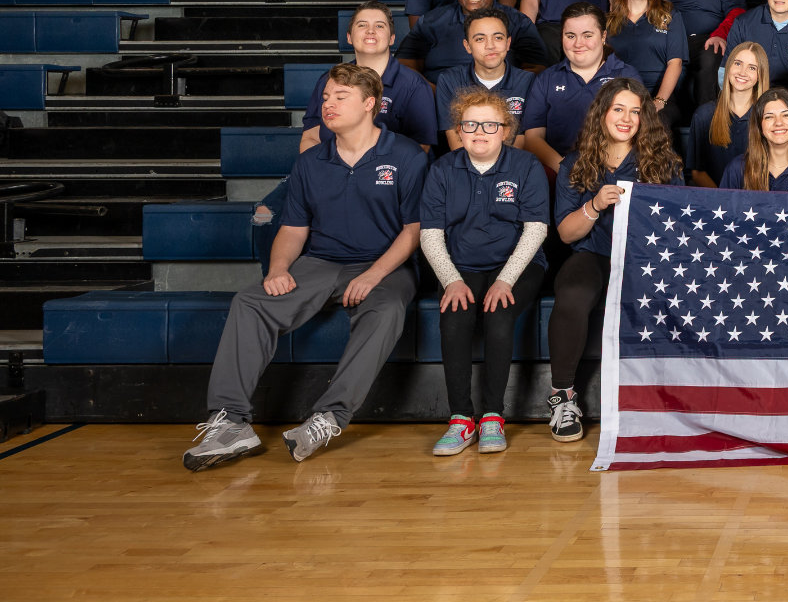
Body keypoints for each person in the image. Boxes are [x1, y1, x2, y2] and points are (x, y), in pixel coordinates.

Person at [185, 64, 426, 470]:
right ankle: (231, 423)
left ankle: (328, 418)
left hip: (383, 265)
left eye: (340, 97)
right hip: (321, 262)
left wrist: (373, 275)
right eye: (326, 97)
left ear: (371, 104)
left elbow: (414, 230)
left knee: (384, 310)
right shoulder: (312, 161)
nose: (328, 104)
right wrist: (278, 268)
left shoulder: (404, 155)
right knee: (251, 301)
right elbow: (293, 230)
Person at [545, 78, 683, 442]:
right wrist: (593, 205)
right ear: (602, 113)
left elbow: (678, 227)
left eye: (635, 112)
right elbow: (566, 233)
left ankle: (663, 400)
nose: (626, 118)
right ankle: (563, 397)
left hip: (645, 258)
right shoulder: (575, 164)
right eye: (618, 109)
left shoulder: (662, 161)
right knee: (572, 294)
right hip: (593, 254)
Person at [419, 90, 549, 456]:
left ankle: (493, 416)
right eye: (470, 124)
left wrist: (505, 280)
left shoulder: (525, 166)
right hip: (461, 265)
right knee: (455, 317)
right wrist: (451, 280)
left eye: (490, 124)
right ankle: (461, 419)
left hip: (518, 264)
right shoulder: (443, 169)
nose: (480, 131)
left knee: (499, 314)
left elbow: (536, 229)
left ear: (505, 130)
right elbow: (429, 233)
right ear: (459, 131)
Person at [519, 3, 642, 176]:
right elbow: (533, 138)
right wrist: (565, 169)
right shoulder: (546, 79)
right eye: (570, 36)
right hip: (560, 169)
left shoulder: (626, 75)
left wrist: (605, 172)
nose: (578, 43)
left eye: (587, 35)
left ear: (603, 36)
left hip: (611, 170)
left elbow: (638, 132)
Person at [300, 1, 435, 153]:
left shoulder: (413, 85)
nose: (370, 31)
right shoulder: (329, 80)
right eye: (362, 25)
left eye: (379, 26)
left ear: (392, 38)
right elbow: (311, 137)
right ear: (349, 37)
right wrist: (320, 172)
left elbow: (421, 147)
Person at [397, 0, 547, 83]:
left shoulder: (518, 22)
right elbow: (404, 64)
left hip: (500, 102)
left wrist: (506, 93)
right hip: (440, 99)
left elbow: (537, 68)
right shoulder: (432, 21)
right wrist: (430, 92)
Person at [434, 7, 539, 150]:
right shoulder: (449, 81)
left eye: (498, 38)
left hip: (512, 166)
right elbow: (454, 139)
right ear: (467, 46)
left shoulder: (528, 81)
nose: (490, 46)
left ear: (508, 43)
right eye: (480, 39)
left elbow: (522, 139)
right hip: (465, 166)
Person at [603, 0, 688, 124]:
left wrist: (659, 101)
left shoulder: (670, 15)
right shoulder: (608, 20)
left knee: (657, 124)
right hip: (619, 94)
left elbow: (675, 63)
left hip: (658, 94)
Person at [686, 42, 770, 187]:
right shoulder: (704, 115)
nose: (742, 72)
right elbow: (698, 172)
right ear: (728, 66)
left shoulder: (768, 116)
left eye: (752, 68)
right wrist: (725, 201)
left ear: (760, 75)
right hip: (717, 203)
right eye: (737, 64)